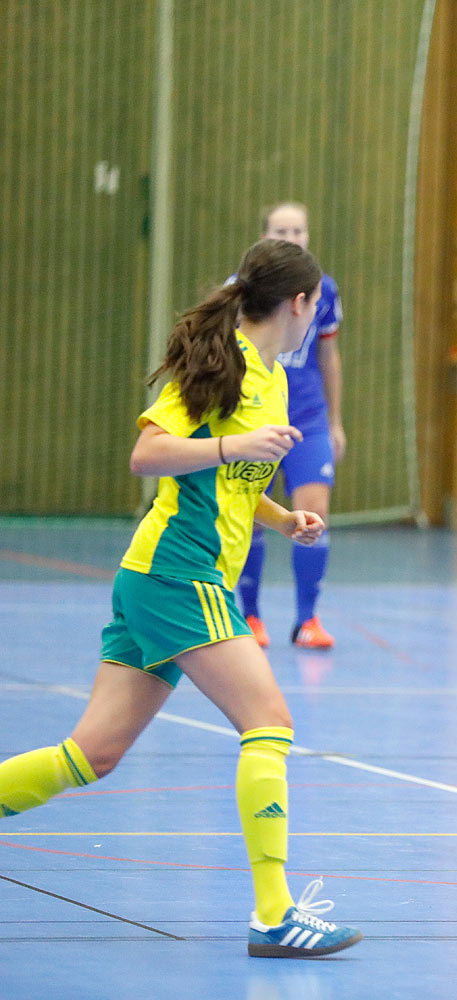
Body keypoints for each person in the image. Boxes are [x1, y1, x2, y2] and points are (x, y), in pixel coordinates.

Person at [0, 239, 361, 956]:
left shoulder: (274, 378)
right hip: (176, 573)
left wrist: (285, 519)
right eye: (314, 305)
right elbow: (150, 454)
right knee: (269, 721)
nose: (315, 316)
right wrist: (236, 446)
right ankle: (274, 913)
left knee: (89, 755)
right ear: (297, 305)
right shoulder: (219, 365)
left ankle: (275, 913)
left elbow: (235, 480)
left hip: (162, 578)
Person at [236, 202, 345, 649]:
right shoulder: (244, 295)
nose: (291, 236)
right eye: (281, 229)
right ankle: (250, 617)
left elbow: (329, 356)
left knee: (313, 510)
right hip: (258, 413)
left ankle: (307, 620)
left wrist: (335, 421)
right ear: (264, 237)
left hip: (307, 417)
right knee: (250, 508)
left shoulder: (324, 292)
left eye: (299, 230)